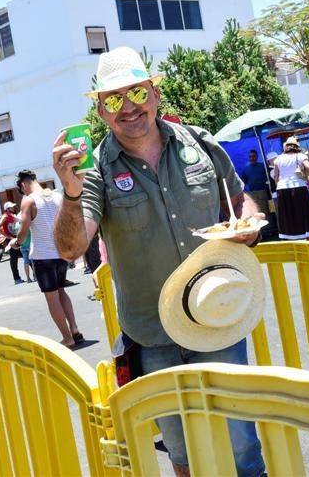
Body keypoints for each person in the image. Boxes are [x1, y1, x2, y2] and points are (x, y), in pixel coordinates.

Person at [51, 47, 265, 476]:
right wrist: (70, 193)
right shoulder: (94, 173)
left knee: (241, 442)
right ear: (100, 109)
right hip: (153, 334)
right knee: (182, 453)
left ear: (155, 93)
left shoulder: (201, 143)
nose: (128, 107)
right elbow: (71, 249)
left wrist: (250, 220)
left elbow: (241, 199)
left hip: (219, 315)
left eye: (136, 93)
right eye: (113, 99)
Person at [11, 169, 84, 348]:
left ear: (23, 185)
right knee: (61, 291)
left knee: (52, 298)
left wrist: (17, 243)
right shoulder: (57, 196)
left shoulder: (29, 200)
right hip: (61, 254)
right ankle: (75, 329)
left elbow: (24, 229)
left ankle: (68, 338)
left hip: (43, 257)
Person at [273, 137, 309, 240]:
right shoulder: (300, 156)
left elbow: (276, 176)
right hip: (298, 186)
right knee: (305, 211)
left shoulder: (278, 158)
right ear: (296, 146)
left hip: (282, 188)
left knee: (288, 213)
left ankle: (291, 236)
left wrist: (279, 184)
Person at [0, 201, 24, 285]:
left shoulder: (11, 215)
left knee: (24, 254)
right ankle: (17, 279)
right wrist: (7, 236)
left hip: (15, 238)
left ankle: (33, 274)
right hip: (10, 240)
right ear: (7, 209)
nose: (13, 207)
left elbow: (20, 221)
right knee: (15, 258)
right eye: (11, 207)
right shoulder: (5, 216)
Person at [239, 149, 271, 217]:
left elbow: (270, 177)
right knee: (258, 210)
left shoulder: (263, 166)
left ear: (257, 157)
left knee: (269, 210)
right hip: (254, 194)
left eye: (253, 156)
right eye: (250, 157)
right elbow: (243, 182)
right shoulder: (246, 169)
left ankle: (272, 224)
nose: (251, 158)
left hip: (266, 193)